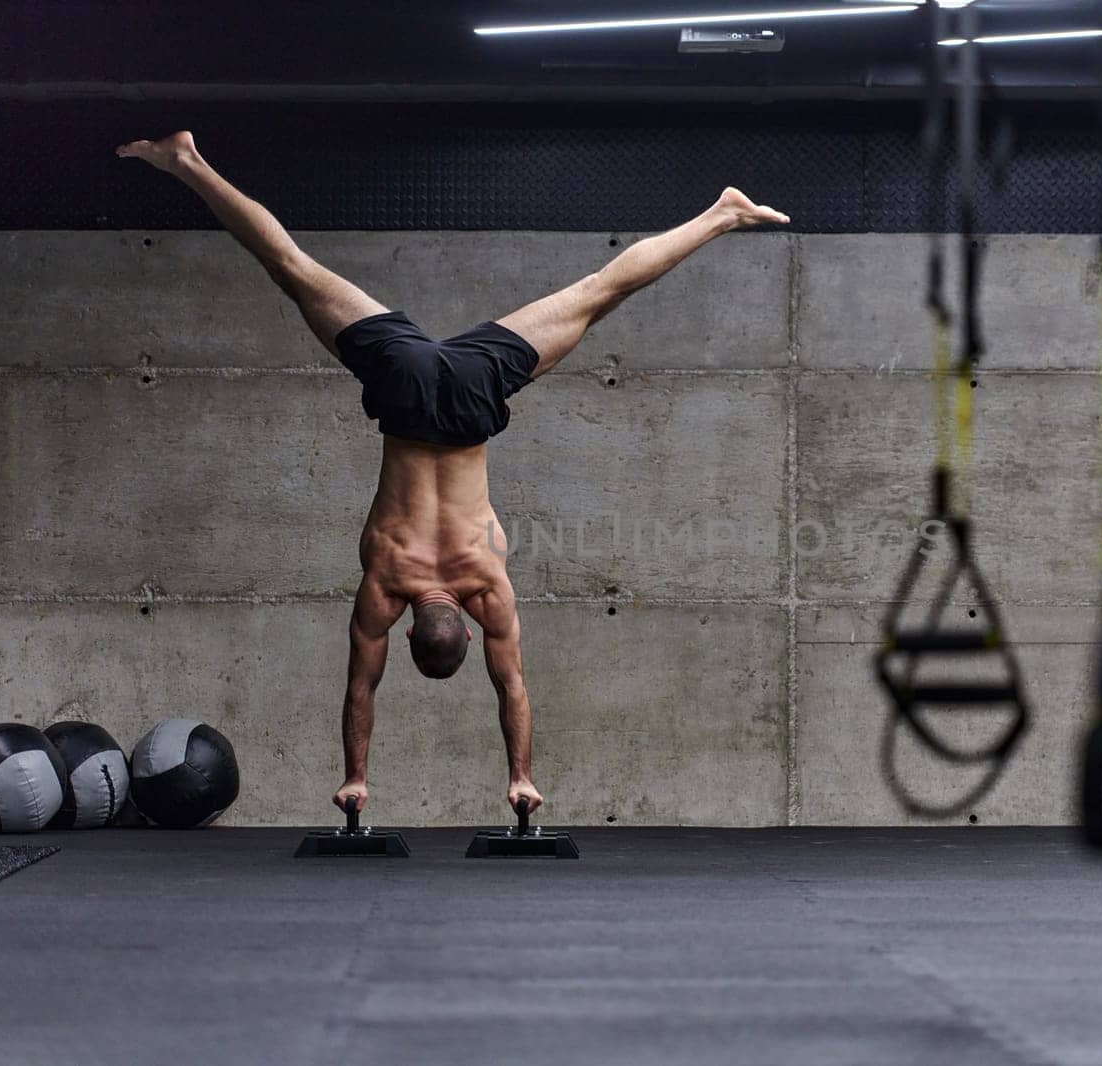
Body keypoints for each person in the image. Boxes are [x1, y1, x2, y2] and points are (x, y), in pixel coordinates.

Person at [117, 131, 789, 817]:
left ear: (465, 629)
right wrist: (356, 778)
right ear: (414, 631)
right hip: (405, 391)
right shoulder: (386, 584)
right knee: (290, 266)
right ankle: (188, 162)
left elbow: (512, 688)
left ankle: (721, 215)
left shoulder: (487, 584)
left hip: (471, 394)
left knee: (598, 291)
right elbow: (361, 689)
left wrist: (523, 777)